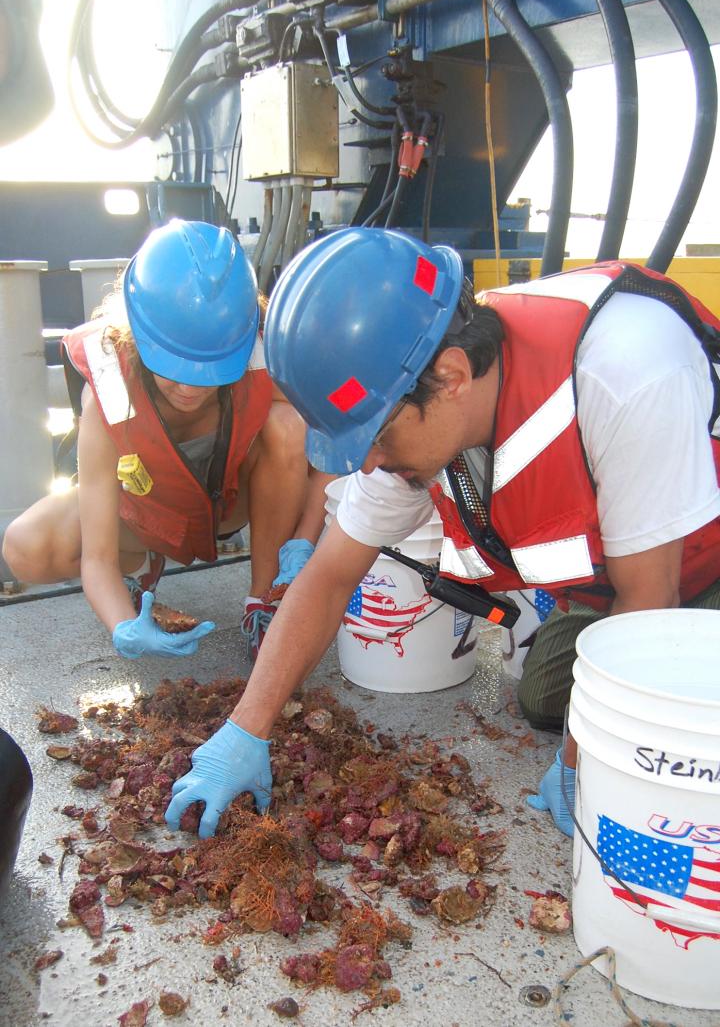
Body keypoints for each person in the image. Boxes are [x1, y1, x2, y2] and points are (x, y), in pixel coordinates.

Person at [163, 227, 720, 840]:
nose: (368, 463)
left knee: (653, 749)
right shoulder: (410, 398)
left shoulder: (627, 368)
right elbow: (328, 576)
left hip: (693, 570)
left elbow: (649, 604)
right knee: (544, 699)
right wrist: (245, 729)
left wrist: (579, 765)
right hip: (617, 584)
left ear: (452, 376)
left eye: (375, 437)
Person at [2, 219, 322, 661]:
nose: (190, 388)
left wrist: (304, 539)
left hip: (230, 504)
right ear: (136, 335)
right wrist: (122, 627)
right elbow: (95, 559)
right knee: (25, 546)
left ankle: (264, 601)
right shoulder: (108, 396)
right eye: (174, 367)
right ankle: (135, 589)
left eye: (210, 370)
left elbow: (341, 440)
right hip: (145, 513)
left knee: (290, 425)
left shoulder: (265, 352)